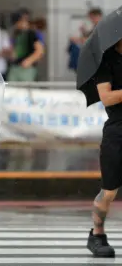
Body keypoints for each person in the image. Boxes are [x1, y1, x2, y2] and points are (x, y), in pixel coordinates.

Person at [87, 39, 122, 258]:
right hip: (117, 130)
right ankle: (97, 235)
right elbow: (107, 98)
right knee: (109, 190)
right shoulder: (105, 62)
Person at [7, 8, 45, 82]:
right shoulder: (16, 34)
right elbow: (14, 50)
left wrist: (29, 61)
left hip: (26, 69)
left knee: (25, 91)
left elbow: (40, 51)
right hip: (15, 66)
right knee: (11, 90)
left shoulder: (32, 33)